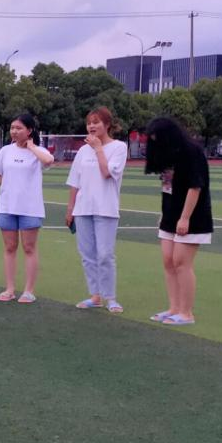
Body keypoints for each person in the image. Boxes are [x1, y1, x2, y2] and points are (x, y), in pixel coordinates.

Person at [144, 117, 213, 326]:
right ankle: (173, 308)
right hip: (170, 216)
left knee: (181, 263)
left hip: (192, 217)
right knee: (168, 261)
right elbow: (167, 187)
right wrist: (164, 214)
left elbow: (195, 187)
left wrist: (185, 218)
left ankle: (186, 313)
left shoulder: (192, 152)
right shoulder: (167, 154)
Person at [65, 107, 129, 314]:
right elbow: (75, 182)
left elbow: (107, 172)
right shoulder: (83, 151)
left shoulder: (119, 147)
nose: (91, 126)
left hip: (106, 208)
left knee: (105, 254)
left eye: (96, 122)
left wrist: (99, 148)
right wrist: (70, 209)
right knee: (87, 254)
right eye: (89, 123)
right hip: (83, 208)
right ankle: (95, 295)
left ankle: (111, 297)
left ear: (107, 124)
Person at [0, 114, 55, 303]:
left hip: (30, 207)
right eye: (12, 128)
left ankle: (28, 290)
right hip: (7, 205)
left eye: (19, 128)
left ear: (29, 130)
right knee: (10, 247)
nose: (14, 131)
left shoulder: (38, 151)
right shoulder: (5, 151)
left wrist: (32, 147)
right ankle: (10, 288)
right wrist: (9, 184)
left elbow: (48, 161)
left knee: (29, 248)